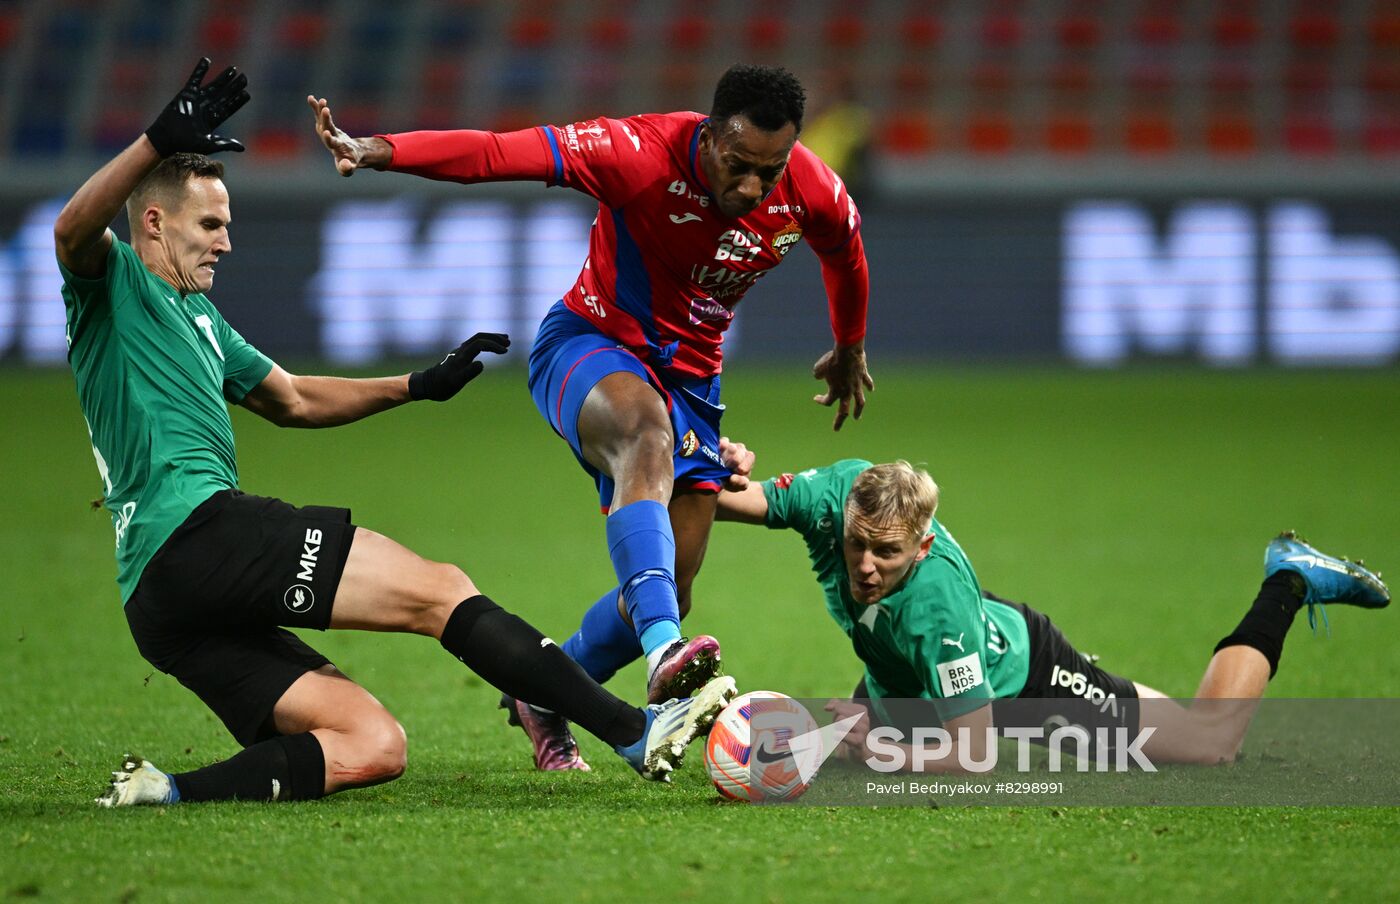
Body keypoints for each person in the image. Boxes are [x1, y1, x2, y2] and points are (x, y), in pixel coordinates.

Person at [61, 59, 735, 807]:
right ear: (153, 222)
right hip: (197, 531)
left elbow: (292, 397)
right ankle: (636, 730)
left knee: (373, 745)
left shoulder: (203, 320)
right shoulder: (112, 282)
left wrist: (416, 385)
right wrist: (155, 142)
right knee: (439, 591)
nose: (224, 242)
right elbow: (71, 228)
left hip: (160, 600)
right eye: (210, 224)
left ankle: (163, 792)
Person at [309, 64, 873, 771]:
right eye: (738, 166)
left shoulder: (809, 187)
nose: (753, 187)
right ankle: (665, 651)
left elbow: (845, 254)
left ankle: (543, 694)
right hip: (591, 343)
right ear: (708, 134)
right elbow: (494, 153)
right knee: (644, 435)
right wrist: (378, 149)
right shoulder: (634, 154)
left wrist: (849, 345)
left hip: (693, 380)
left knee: (677, 576)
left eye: (771, 168)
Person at [713, 451, 1391, 770]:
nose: (863, 566)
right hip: (910, 668)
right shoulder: (834, 497)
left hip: (1025, 679)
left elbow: (974, 750)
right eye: (856, 545)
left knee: (1210, 744)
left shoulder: (937, 612)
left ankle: (1289, 582)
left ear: (922, 546)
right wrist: (707, 457)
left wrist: (892, 742)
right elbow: (718, 496)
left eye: (885, 554)